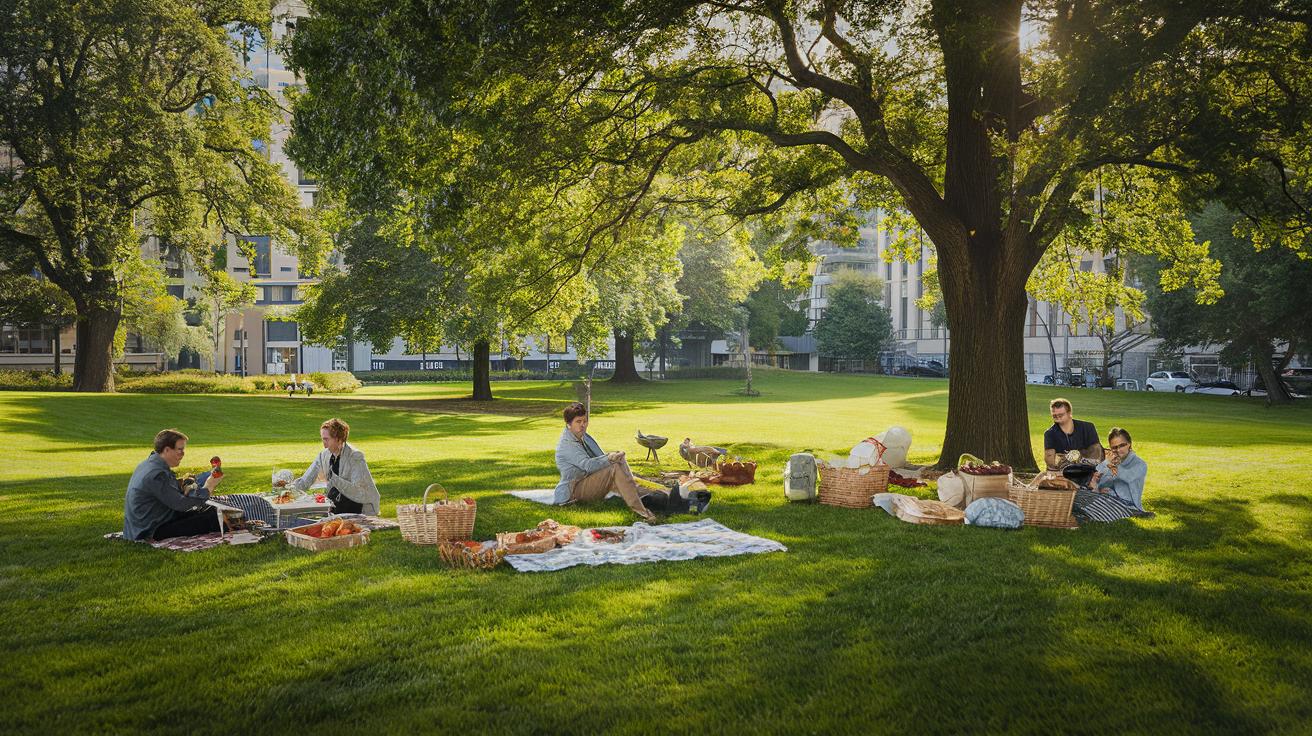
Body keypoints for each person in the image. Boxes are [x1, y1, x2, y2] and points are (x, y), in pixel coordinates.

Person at [554, 402, 660, 521]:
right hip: (573, 492)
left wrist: (614, 456)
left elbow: (600, 457)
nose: (583, 425)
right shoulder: (567, 444)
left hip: (585, 480)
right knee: (613, 466)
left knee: (617, 459)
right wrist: (609, 458)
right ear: (569, 424)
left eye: (585, 421)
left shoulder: (583, 437)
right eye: (578, 422)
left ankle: (647, 496)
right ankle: (642, 513)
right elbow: (588, 465)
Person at [123, 429, 224, 541]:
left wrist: (185, 482)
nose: (183, 454)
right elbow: (181, 504)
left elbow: (167, 488)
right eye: (180, 449)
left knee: (211, 510)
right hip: (150, 530)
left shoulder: (149, 464)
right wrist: (209, 487)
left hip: (147, 523)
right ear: (166, 450)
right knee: (213, 517)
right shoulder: (156, 474)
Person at [275, 418, 380, 515]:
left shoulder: (355, 457)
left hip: (357, 509)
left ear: (339, 439)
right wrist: (286, 489)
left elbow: (359, 492)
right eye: (322, 439)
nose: (324, 444)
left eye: (326, 439)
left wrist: (335, 479)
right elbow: (305, 481)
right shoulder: (323, 455)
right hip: (335, 506)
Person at [1073, 427, 1152, 522]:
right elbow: (1096, 477)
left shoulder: (1140, 464)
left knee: (1086, 500)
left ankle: (1088, 515)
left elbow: (1129, 478)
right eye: (1114, 447)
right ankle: (1087, 514)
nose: (1118, 450)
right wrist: (1105, 465)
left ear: (1129, 444)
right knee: (1076, 494)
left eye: (1122, 445)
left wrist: (1114, 466)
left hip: (1127, 504)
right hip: (1107, 498)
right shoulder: (1110, 462)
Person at [1043, 398, 1104, 470]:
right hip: (1063, 472)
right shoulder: (1049, 434)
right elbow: (1051, 460)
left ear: (1069, 413)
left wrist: (1066, 458)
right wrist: (1081, 454)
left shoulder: (1087, 427)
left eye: (1061, 415)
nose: (1057, 417)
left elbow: (1096, 453)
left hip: (1089, 470)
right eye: (1054, 416)